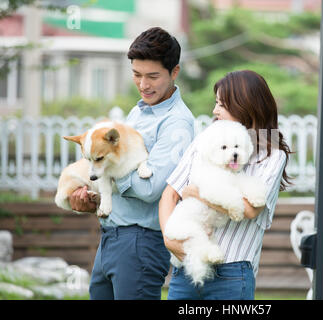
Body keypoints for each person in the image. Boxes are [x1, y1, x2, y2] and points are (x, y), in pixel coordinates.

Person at [68, 27, 195, 300]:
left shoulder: (176, 123)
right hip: (112, 236)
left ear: (174, 72)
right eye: (137, 75)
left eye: (153, 76)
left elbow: (150, 190)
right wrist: (94, 198)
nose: (143, 84)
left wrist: (109, 176)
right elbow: (114, 166)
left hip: (140, 243)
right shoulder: (138, 111)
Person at [159, 70, 292, 300]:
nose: (215, 111)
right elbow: (169, 194)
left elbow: (250, 209)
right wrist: (169, 240)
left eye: (222, 104)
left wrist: (198, 194)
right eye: (216, 103)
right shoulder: (204, 141)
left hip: (232, 273)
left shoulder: (271, 156)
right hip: (187, 265)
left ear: (244, 105)